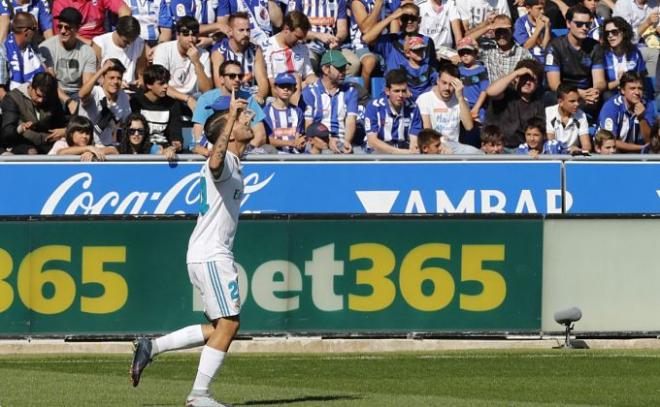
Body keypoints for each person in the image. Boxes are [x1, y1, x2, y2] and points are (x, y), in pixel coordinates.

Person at [131, 93, 255, 407]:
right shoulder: (225, 160)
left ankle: (152, 346)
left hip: (209, 252)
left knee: (218, 326)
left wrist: (232, 120)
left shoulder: (234, 162)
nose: (248, 119)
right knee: (229, 324)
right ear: (227, 131)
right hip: (212, 253)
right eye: (241, 120)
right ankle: (198, 395)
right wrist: (228, 119)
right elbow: (214, 160)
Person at [192, 60, 266, 150]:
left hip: (244, 153)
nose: (237, 79)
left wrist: (240, 151)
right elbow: (198, 135)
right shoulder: (205, 99)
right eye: (232, 76)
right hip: (214, 152)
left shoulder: (249, 98)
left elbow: (260, 136)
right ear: (221, 79)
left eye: (240, 76)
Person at [545, 4, 606, 111]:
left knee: (608, 97)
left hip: (587, 93)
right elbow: (554, 84)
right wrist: (577, 93)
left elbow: (600, 81)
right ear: (568, 23)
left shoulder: (595, 47)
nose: (584, 28)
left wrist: (595, 91)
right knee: (550, 97)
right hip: (565, 92)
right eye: (579, 24)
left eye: (588, 24)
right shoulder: (554, 46)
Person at [362, 3, 441, 84]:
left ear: (419, 20)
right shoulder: (391, 40)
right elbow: (366, 39)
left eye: (413, 18)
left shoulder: (427, 41)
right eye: (405, 18)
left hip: (420, 89)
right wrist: (391, 17)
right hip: (396, 90)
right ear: (399, 21)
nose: (409, 21)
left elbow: (432, 71)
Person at [38, 7, 96, 111]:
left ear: (77, 28)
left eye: (67, 27)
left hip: (77, 93)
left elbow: (86, 85)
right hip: (53, 92)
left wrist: (80, 100)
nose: (63, 31)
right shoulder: (46, 48)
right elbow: (49, 83)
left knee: (92, 99)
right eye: (60, 26)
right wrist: (68, 101)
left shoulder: (88, 52)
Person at [301, 49, 358, 153]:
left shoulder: (350, 91)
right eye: (340, 69)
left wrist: (346, 142)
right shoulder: (310, 92)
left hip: (341, 141)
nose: (344, 72)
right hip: (319, 141)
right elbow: (309, 126)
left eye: (344, 68)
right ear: (326, 69)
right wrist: (328, 141)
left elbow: (351, 121)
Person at [486, 58, 545, 150]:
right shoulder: (506, 93)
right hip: (499, 148)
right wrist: (515, 73)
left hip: (524, 150)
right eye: (524, 78)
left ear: (538, 84)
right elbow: (490, 92)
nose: (528, 82)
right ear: (517, 78)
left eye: (532, 80)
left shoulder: (539, 103)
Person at [0, 71, 66, 154]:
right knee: (32, 153)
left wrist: (64, 131)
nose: (41, 100)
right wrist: (20, 128)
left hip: (48, 142)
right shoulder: (12, 99)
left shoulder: (51, 97)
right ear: (31, 87)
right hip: (20, 142)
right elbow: (7, 132)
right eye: (38, 95)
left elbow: (62, 121)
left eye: (45, 97)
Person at [210, 12, 269, 104]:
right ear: (230, 31)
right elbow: (219, 84)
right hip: (229, 97)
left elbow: (263, 81)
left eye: (248, 30)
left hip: (252, 97)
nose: (246, 34)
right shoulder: (220, 51)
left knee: (271, 102)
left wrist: (259, 97)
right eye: (241, 30)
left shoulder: (255, 50)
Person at [262, 11, 316, 104]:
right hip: (277, 96)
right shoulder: (267, 47)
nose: (300, 41)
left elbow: (309, 75)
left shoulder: (302, 48)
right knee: (295, 78)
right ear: (286, 29)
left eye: (302, 38)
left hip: (299, 91)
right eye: (298, 37)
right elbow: (271, 83)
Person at [153, 16, 213, 99]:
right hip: (169, 96)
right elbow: (159, 84)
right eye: (186, 34)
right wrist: (186, 99)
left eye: (194, 34)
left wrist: (196, 62)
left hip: (194, 96)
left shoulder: (204, 54)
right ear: (177, 35)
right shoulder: (163, 49)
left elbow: (207, 91)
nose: (190, 39)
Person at [130, 64, 183, 153]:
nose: (166, 86)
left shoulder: (173, 104)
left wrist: (175, 146)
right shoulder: (135, 102)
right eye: (161, 83)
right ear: (149, 85)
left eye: (166, 82)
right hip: (142, 150)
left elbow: (176, 135)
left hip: (166, 151)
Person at [416, 62, 474, 145]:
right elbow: (427, 131)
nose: (447, 88)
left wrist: (460, 97)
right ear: (437, 81)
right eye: (444, 83)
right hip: (434, 146)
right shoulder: (424, 99)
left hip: (454, 147)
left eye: (451, 84)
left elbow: (469, 126)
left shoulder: (461, 101)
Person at [364, 68, 419, 154]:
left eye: (403, 91)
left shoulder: (413, 108)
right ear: (387, 91)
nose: (400, 95)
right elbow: (372, 142)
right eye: (396, 91)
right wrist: (399, 153)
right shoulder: (374, 107)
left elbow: (413, 140)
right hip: (377, 153)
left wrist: (411, 151)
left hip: (404, 150)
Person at [78, 59, 131, 147]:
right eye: (111, 78)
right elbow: (81, 94)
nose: (115, 82)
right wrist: (102, 69)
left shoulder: (123, 96)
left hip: (109, 146)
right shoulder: (95, 92)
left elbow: (127, 122)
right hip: (87, 144)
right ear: (103, 78)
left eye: (119, 78)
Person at [598, 71, 656, 152]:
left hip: (639, 155)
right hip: (614, 154)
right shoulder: (611, 107)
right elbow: (609, 142)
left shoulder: (648, 105)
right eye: (632, 88)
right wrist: (640, 148)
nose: (637, 92)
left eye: (640, 88)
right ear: (622, 90)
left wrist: (641, 119)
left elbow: (650, 141)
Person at [470, 14, 534, 84]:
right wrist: (487, 27)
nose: (502, 35)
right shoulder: (488, 48)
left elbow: (533, 75)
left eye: (505, 31)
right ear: (493, 31)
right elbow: (463, 42)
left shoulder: (523, 53)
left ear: (512, 31)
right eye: (499, 31)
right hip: (491, 93)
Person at [92, 15, 147, 86]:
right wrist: (116, 84)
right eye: (126, 41)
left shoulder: (139, 43)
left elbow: (141, 73)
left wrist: (140, 81)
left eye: (132, 41)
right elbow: (95, 74)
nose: (129, 45)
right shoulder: (100, 43)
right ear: (117, 32)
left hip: (130, 88)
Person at [601, 17, 648, 98]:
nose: (610, 36)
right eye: (607, 33)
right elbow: (601, 87)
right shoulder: (602, 54)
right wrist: (619, 81)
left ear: (623, 32)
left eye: (614, 32)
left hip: (633, 95)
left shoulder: (634, 52)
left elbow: (642, 79)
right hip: (610, 96)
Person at [262, 72, 305, 153]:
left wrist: (300, 142)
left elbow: (298, 136)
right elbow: (269, 140)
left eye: (289, 86)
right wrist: (291, 143)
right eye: (282, 86)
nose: (286, 89)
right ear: (275, 88)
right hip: (274, 155)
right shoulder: (266, 111)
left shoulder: (298, 111)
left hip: (294, 154)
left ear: (294, 89)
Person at [52, 0, 131, 43]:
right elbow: (62, 34)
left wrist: (118, 35)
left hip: (101, 41)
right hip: (75, 44)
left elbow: (125, 11)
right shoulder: (60, 2)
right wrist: (91, 44)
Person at [5, 12, 45, 90]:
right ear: (26, 31)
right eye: (34, 29)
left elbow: (44, 71)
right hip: (12, 98)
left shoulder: (33, 47)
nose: (37, 32)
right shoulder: (3, 50)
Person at [48, 114, 118, 159]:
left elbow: (114, 151)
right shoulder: (61, 143)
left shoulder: (92, 146)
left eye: (87, 133)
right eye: (81, 132)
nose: (84, 136)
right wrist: (88, 148)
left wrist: (93, 152)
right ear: (71, 133)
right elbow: (61, 153)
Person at [546, 83, 592, 152]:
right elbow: (551, 143)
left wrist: (579, 150)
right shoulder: (548, 112)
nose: (577, 104)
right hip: (554, 156)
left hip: (573, 159)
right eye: (572, 101)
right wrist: (565, 152)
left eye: (578, 100)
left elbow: (586, 145)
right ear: (560, 102)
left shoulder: (581, 115)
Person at [456, 37, 489, 127]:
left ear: (475, 53)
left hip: (478, 107)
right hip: (462, 107)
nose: (465, 55)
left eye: (468, 52)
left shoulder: (481, 70)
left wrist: (476, 108)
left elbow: (484, 91)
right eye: (462, 53)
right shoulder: (458, 70)